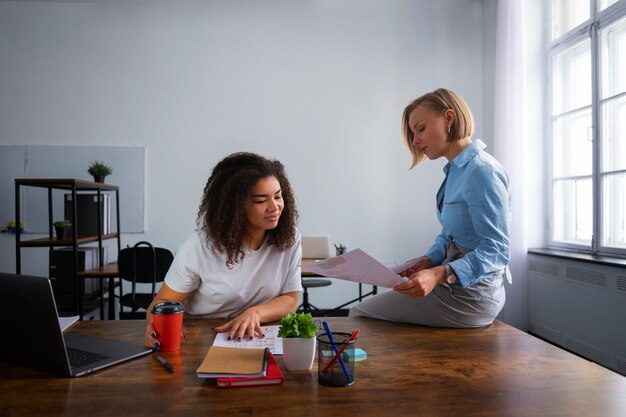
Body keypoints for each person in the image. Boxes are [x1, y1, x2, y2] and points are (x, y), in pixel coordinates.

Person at [350, 88, 511, 328]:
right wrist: (428, 260)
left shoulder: (481, 171)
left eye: (421, 129)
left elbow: (497, 251)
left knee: (359, 313)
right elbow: (449, 236)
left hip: (471, 295)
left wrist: (438, 274)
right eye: (414, 133)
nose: (415, 141)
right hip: (454, 286)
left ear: (449, 118)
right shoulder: (456, 172)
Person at [145, 152, 302, 349]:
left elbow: (290, 299)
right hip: (205, 338)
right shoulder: (200, 245)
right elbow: (162, 303)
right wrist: (153, 327)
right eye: (261, 201)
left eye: (278, 196)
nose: (275, 207)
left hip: (262, 335)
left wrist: (255, 313)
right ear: (235, 206)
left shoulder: (289, 237)